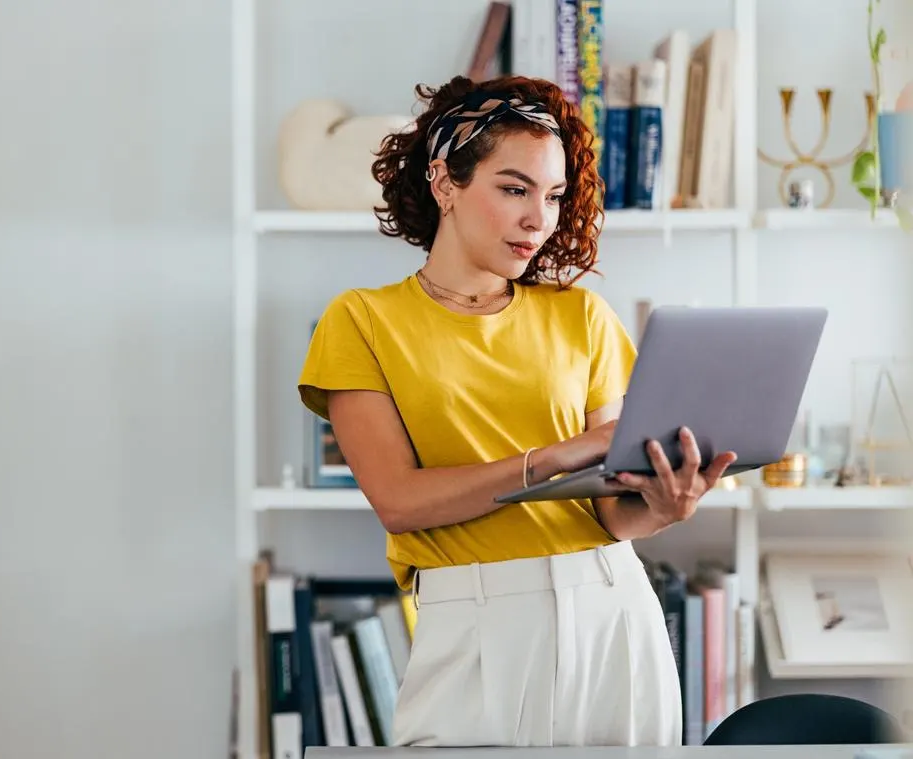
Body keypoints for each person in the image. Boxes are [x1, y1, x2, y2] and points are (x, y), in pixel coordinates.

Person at [297, 74, 737, 748]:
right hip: (471, 623)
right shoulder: (361, 319)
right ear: (445, 182)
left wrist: (664, 504)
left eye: (554, 195)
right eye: (513, 189)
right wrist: (549, 457)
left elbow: (611, 511)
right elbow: (399, 501)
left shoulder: (581, 316)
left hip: (612, 609)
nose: (539, 218)